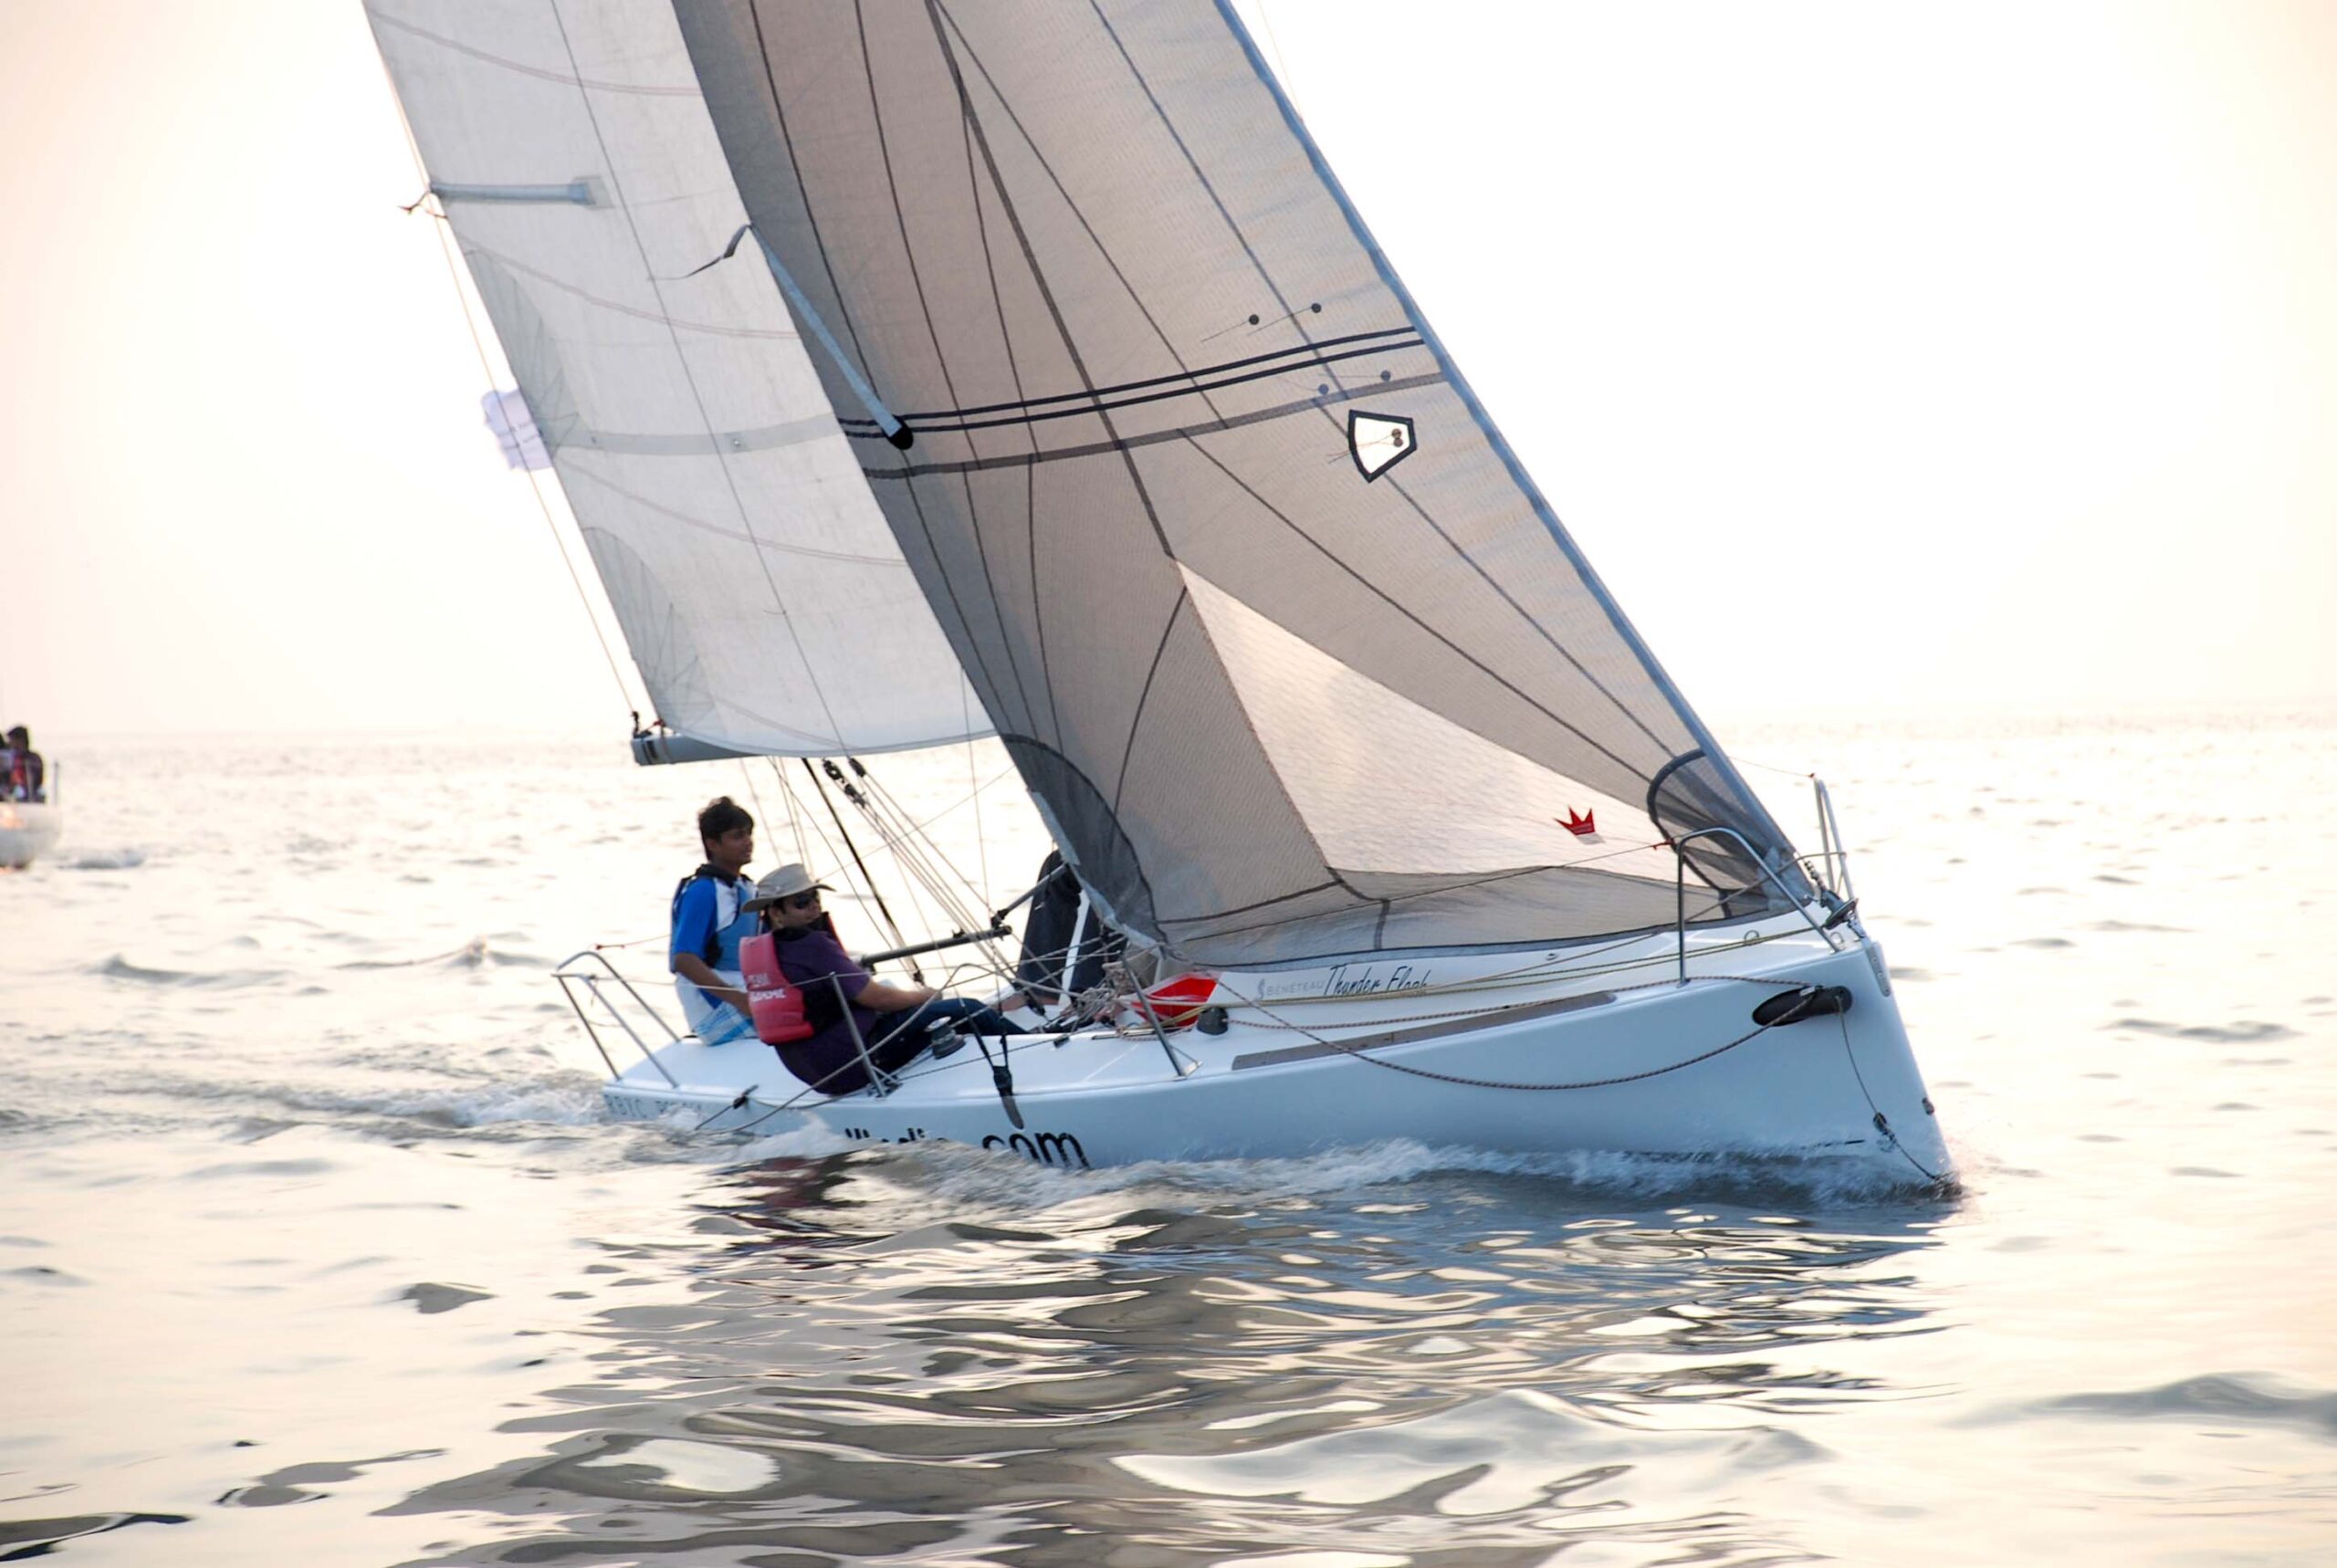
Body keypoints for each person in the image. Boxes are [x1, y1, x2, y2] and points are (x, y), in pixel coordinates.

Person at [746, 862, 1024, 1094]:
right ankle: (1039, 1048)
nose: (813, 907)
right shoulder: (812, 945)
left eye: (815, 898)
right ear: (776, 912)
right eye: (802, 902)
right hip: (858, 1061)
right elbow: (877, 998)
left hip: (818, 1074)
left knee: (937, 1024)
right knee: (968, 1008)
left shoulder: (767, 952)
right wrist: (925, 997)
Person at [669, 797, 760, 1045]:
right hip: (714, 1008)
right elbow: (684, 959)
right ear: (713, 844)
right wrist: (740, 1001)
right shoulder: (703, 891)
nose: (748, 842)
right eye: (737, 836)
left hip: (744, 988)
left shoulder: (747, 887)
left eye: (749, 834)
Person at [2, 727, 39, 804]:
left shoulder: (32, 758)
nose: (9, 743)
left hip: (25, 794)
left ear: (21, 740)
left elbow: (35, 779)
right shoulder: (9, 756)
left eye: (12, 740)